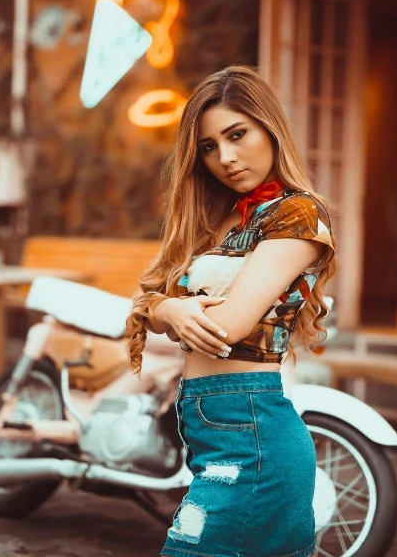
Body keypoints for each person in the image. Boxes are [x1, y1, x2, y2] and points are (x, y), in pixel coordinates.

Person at [124, 66, 336, 557]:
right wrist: (169, 310)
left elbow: (228, 326)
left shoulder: (298, 213)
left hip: (254, 435)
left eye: (237, 134)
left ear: (270, 127)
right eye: (209, 146)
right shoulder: (218, 221)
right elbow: (146, 303)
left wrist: (170, 311)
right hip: (212, 435)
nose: (226, 157)